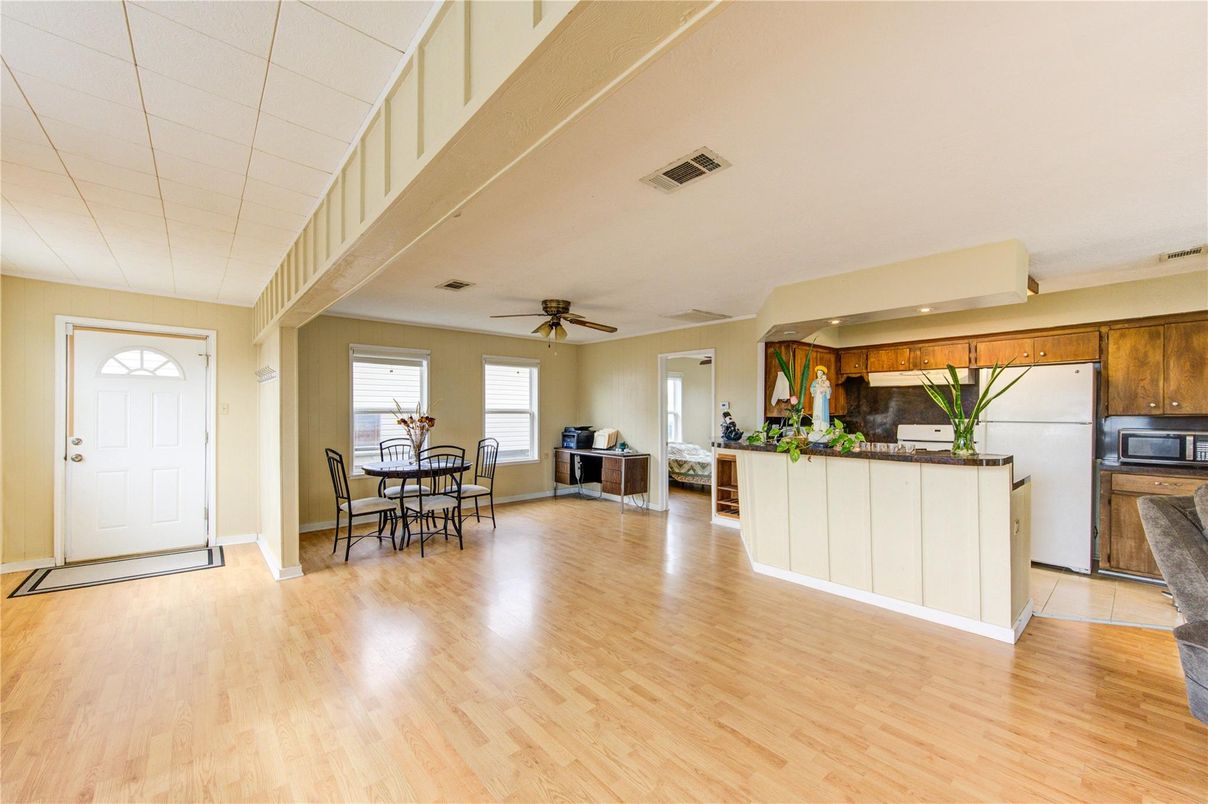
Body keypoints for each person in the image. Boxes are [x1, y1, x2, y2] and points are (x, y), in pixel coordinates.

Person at [809, 367, 831, 432]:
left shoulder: (826, 381)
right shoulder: (815, 381)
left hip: (823, 400)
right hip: (817, 399)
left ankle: (823, 427)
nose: (819, 374)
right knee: (817, 411)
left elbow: (829, 390)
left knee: (823, 412)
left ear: (823, 374)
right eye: (818, 373)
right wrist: (816, 388)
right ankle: (816, 426)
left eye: (821, 373)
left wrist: (826, 389)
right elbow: (812, 389)